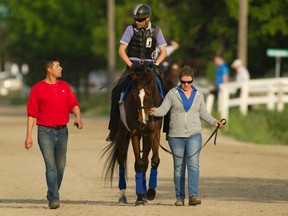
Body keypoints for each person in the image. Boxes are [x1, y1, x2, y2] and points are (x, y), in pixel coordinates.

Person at [149, 65, 225, 206]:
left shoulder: (198, 95)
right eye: (183, 82)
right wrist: (154, 111)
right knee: (179, 168)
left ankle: (193, 196)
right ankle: (179, 197)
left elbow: (204, 113)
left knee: (194, 166)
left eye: (189, 82)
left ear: (192, 81)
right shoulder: (172, 93)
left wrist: (215, 122)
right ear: (180, 80)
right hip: (175, 136)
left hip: (194, 135)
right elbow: (164, 109)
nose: (186, 85)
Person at [24, 57, 83, 209]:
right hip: (45, 133)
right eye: (58, 66)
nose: (61, 68)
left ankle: (51, 192)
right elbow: (32, 114)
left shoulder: (64, 86)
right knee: (51, 166)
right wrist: (29, 136)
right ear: (49, 69)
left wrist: (78, 116)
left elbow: (74, 105)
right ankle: (54, 198)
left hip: (62, 132)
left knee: (61, 167)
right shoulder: (37, 89)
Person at [106, 3, 167, 141]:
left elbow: (164, 52)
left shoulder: (156, 30)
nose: (136, 22)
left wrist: (155, 64)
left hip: (149, 67)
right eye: (135, 19)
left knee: (167, 93)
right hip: (132, 66)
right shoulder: (130, 29)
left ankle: (168, 129)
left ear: (147, 18)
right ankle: (113, 129)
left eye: (139, 20)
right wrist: (130, 64)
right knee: (116, 91)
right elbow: (121, 50)